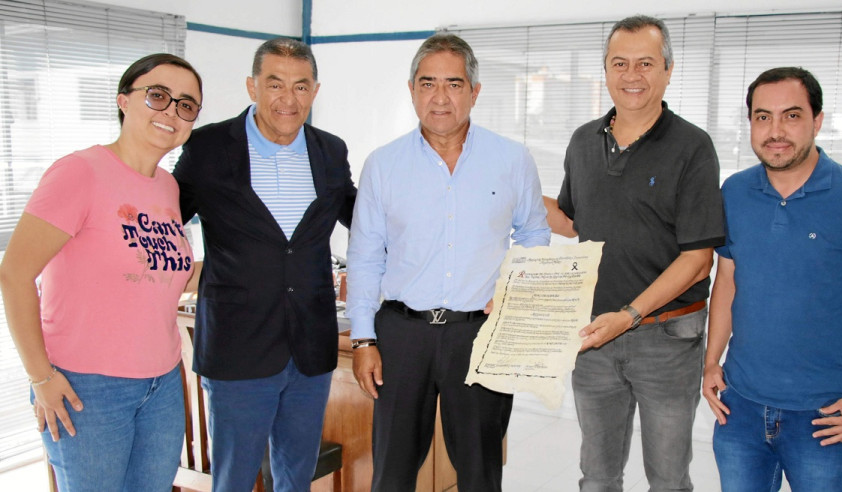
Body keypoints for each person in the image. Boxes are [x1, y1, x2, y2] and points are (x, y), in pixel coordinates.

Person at [345, 33, 550, 491]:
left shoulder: (511, 159)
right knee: (392, 474)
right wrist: (363, 339)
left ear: (474, 92)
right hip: (402, 335)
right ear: (412, 89)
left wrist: (515, 292)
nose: (440, 97)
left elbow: (534, 233)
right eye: (428, 83)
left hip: (480, 333)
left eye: (454, 84)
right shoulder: (383, 164)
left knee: (480, 473)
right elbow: (364, 255)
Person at [0, 53, 201, 491]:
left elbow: (161, 271)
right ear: (123, 101)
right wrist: (41, 377)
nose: (172, 111)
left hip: (162, 382)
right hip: (88, 387)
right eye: (158, 95)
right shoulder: (80, 172)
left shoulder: (167, 186)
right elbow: (14, 274)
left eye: (186, 105)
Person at [543, 15, 725, 491]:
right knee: (597, 476)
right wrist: (512, 193)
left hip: (667, 338)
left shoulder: (692, 146)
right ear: (605, 70)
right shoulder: (583, 141)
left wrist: (628, 316)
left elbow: (698, 260)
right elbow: (573, 222)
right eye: (619, 63)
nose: (632, 75)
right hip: (594, 335)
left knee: (667, 479)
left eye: (645, 63)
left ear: (668, 70)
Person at [702, 67, 842, 491]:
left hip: (823, 415)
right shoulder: (734, 192)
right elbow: (728, 281)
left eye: (791, 116)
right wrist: (711, 360)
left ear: (817, 120)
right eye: (763, 117)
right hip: (740, 407)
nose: (775, 131)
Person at [173, 38, 356, 492]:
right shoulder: (208, 147)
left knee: (296, 476)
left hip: (310, 347)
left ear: (315, 91)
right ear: (252, 86)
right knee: (234, 479)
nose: (287, 99)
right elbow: (163, 218)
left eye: (300, 86)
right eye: (275, 84)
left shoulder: (331, 151)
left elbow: (365, 221)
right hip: (237, 348)